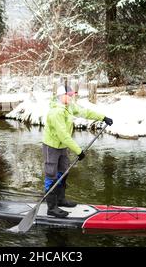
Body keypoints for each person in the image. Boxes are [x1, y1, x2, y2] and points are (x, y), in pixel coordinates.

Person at [42, 85, 113, 218]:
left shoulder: (69, 107)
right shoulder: (56, 112)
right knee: (51, 175)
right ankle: (51, 208)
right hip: (51, 147)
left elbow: (85, 112)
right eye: (69, 95)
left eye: (72, 95)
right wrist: (78, 151)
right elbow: (63, 135)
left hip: (62, 146)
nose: (71, 97)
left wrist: (103, 117)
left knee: (63, 171)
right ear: (61, 96)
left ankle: (61, 200)